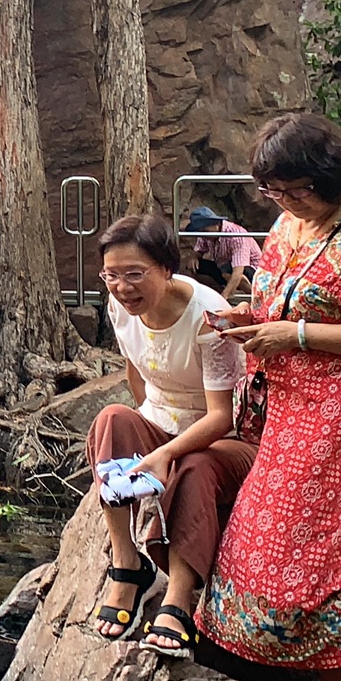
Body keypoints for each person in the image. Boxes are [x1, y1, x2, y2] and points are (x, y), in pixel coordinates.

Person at [201, 113, 341, 681]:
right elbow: (282, 308)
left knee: (305, 567)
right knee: (260, 546)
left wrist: (297, 337)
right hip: (282, 409)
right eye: (272, 190)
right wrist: (245, 319)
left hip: (338, 419)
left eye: (294, 189)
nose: (282, 200)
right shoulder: (284, 227)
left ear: (326, 177)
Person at [85, 215, 254, 657]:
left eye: (135, 274)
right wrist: (143, 430)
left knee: (196, 464)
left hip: (226, 435)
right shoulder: (121, 306)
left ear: (166, 268)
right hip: (162, 419)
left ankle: (179, 596)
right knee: (112, 420)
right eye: (112, 275)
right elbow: (135, 371)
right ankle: (129, 565)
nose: (122, 287)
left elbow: (221, 416)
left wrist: (166, 454)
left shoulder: (208, 317)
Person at [186, 206, 262, 300]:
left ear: (216, 223)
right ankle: (222, 289)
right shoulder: (206, 235)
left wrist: (223, 297)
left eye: (205, 231)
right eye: (199, 231)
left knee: (230, 271)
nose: (202, 234)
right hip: (223, 268)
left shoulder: (236, 235)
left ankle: (253, 295)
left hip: (251, 271)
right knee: (197, 266)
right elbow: (198, 250)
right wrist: (194, 257)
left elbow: (238, 270)